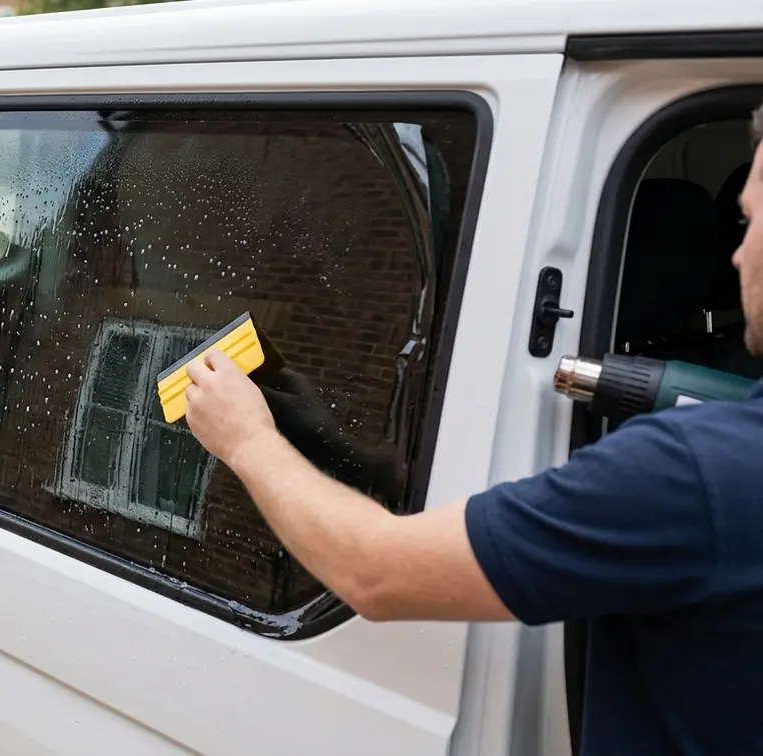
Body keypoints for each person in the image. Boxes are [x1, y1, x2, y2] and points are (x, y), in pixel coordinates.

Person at [180, 102, 763, 756]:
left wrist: (247, 441)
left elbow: (374, 571)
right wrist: (337, 446)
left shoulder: (690, 473)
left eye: (749, 222)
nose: (736, 255)